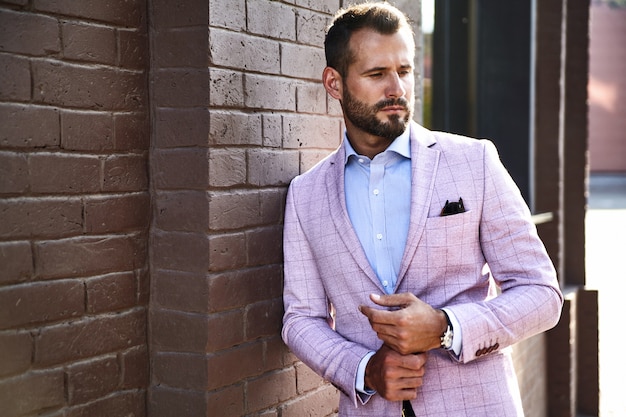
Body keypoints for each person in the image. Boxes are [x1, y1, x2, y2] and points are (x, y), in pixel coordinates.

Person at [281, 3, 563, 416]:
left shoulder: (475, 162)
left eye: (405, 71)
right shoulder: (306, 195)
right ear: (334, 83)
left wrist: (447, 328)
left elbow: (541, 294)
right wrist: (365, 370)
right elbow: (301, 319)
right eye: (377, 74)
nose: (397, 88)